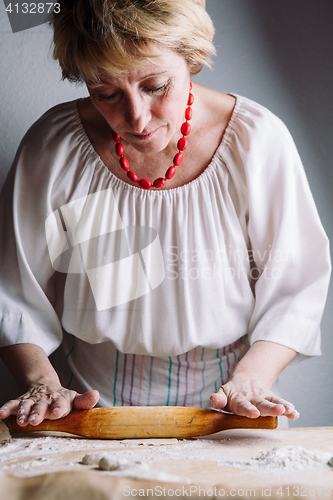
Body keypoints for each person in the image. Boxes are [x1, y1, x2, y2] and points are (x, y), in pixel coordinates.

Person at [0, 0, 330, 428]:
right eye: (106, 94)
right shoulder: (54, 146)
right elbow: (13, 290)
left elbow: (296, 285)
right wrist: (42, 382)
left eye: (156, 86)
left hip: (234, 402)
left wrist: (251, 379)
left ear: (190, 58)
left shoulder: (255, 139)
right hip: (91, 405)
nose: (135, 118)